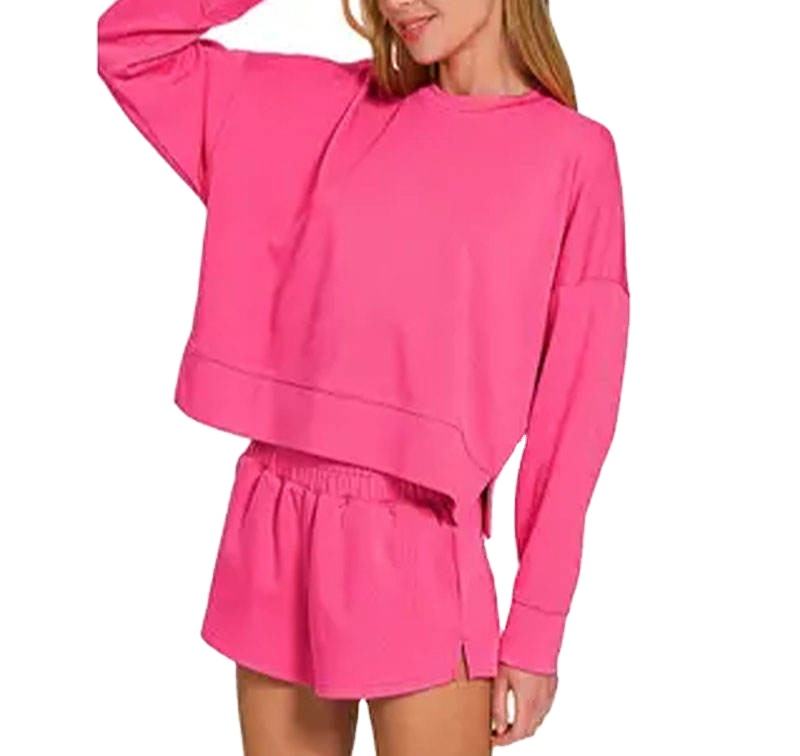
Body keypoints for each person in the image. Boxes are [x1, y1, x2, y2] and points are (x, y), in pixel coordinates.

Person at [96, 0, 631, 752]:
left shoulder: (572, 155)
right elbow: (132, 46)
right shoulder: (319, 108)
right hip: (275, 514)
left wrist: (537, 625)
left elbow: (576, 414)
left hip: (418, 543)